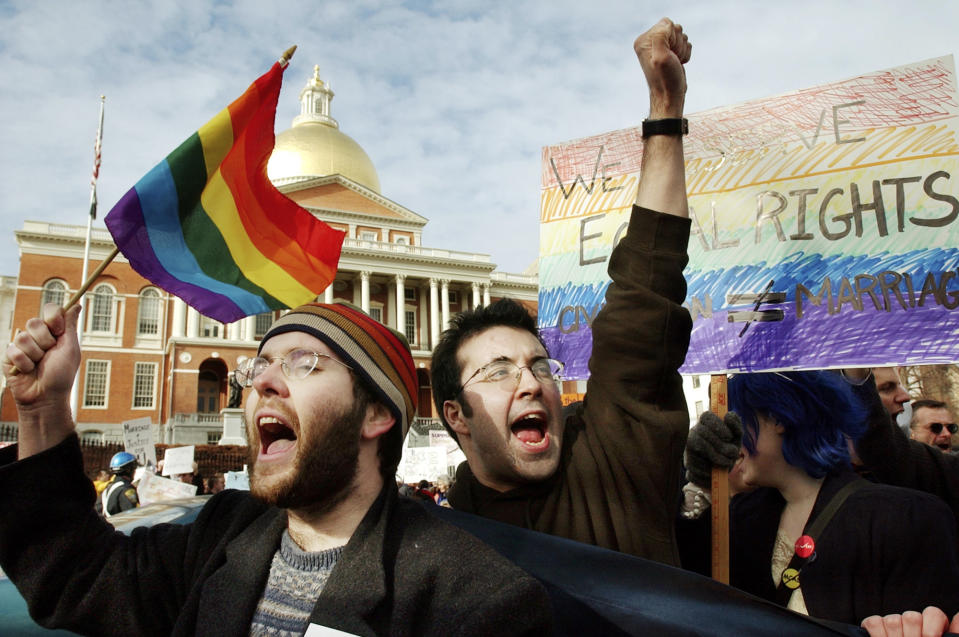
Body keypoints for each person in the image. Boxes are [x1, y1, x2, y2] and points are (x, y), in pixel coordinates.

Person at [0, 302, 552, 635]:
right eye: (259, 365)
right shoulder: (219, 535)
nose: (263, 381)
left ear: (378, 412)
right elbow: (76, 574)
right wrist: (43, 408)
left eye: (302, 363)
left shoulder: (475, 600)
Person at [430, 17, 693, 565]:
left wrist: (665, 109)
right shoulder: (436, 543)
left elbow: (644, 300)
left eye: (540, 365)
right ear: (455, 415)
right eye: (498, 370)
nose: (530, 382)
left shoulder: (613, 463)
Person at [721, 371, 959, 625]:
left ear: (777, 417)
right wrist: (702, 483)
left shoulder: (905, 518)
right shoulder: (742, 516)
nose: (730, 440)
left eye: (737, 422)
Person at [101, 451, 139, 517]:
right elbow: (131, 516)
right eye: (134, 469)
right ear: (128, 470)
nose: (135, 471)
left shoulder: (108, 488)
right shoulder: (127, 489)